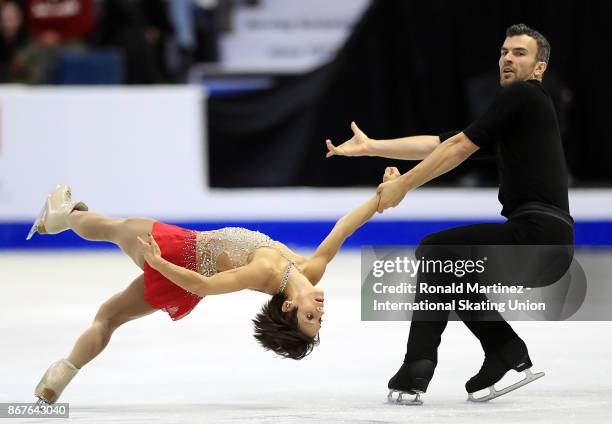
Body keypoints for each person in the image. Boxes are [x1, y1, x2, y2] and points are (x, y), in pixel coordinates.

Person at [325, 23, 574, 403]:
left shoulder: (524, 96)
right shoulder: (520, 112)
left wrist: (402, 185)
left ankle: (421, 362)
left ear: (539, 68)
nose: (507, 58)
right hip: (546, 242)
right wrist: (373, 146)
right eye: (504, 52)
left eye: (519, 53)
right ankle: (502, 350)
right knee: (448, 264)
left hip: (539, 237)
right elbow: (441, 143)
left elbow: (457, 147)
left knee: (438, 252)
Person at [28, 180, 389, 405]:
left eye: (310, 317)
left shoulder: (266, 272)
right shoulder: (310, 269)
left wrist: (158, 260)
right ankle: (60, 375)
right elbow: (343, 229)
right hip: (180, 284)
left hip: (178, 253)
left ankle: (64, 217)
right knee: (110, 317)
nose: (320, 310)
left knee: (115, 227)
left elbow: (203, 284)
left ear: (290, 306)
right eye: (320, 319)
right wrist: (381, 197)